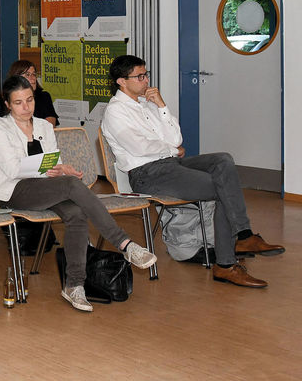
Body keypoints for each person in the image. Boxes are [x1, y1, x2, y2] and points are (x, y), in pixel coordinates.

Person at [101, 54, 283, 288]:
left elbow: (176, 137)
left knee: (223, 160)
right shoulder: (115, 111)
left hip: (170, 164)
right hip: (147, 174)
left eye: (146, 75)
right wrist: (172, 149)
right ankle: (226, 264)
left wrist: (162, 106)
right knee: (220, 188)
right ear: (121, 81)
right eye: (139, 76)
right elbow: (141, 147)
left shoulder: (146, 104)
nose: (146, 81)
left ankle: (244, 236)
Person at [0, 75, 157, 312]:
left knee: (76, 213)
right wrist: (56, 169)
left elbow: (55, 161)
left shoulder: (44, 126)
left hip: (43, 188)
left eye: (30, 100)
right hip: (12, 191)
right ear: (7, 104)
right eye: (18, 103)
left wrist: (61, 168)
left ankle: (74, 285)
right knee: (71, 186)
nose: (26, 107)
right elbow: (13, 170)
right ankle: (125, 244)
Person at [0, 60, 57, 134]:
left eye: (34, 74)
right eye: (28, 74)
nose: (33, 78)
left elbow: (49, 125)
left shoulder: (43, 97)